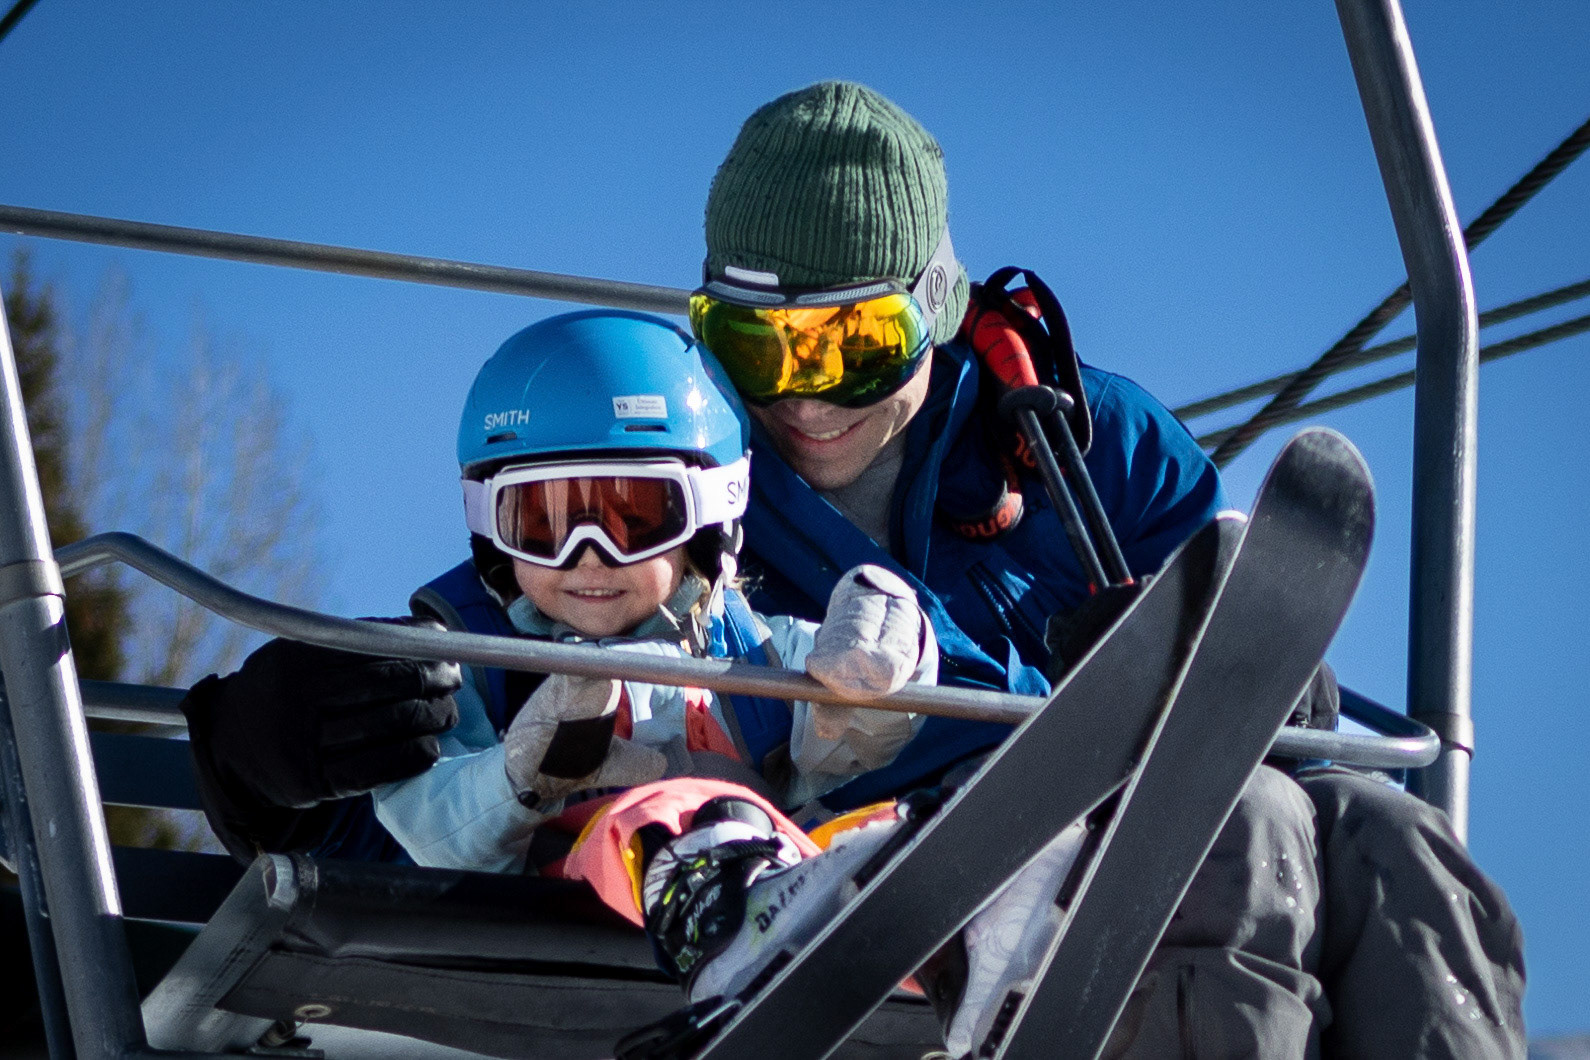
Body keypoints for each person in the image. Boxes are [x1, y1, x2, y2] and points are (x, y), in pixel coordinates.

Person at [181, 82, 1524, 1057]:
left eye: (849, 345)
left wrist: (1261, 685)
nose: (802, 403)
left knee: (1385, 841)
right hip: (871, 884)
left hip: (1082, 849)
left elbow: (1255, 691)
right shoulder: (679, 482)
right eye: (759, 351)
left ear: (932, 308)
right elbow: (531, 639)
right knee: (1243, 839)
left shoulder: (1078, 448)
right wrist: (270, 761)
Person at [368, 307, 935, 876]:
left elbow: (851, 739)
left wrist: (887, 664)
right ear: (494, 534)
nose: (588, 557)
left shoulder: (750, 656)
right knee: (653, 824)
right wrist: (516, 776)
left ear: (707, 522)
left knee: (877, 828)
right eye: (543, 522)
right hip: (552, 924)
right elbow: (428, 821)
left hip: (759, 876)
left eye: (633, 518)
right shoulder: (473, 661)